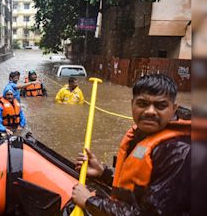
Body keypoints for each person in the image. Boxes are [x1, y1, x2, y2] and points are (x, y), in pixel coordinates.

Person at [72, 74, 191, 215]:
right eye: (142, 104)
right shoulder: (143, 134)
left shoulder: (179, 152)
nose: (150, 112)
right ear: (132, 104)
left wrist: (90, 201)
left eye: (160, 106)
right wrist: (103, 173)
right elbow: (138, 189)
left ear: (174, 108)